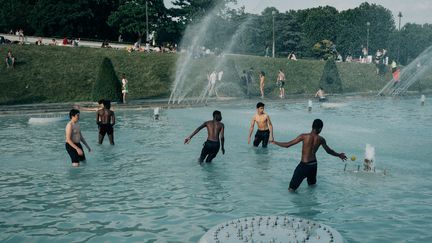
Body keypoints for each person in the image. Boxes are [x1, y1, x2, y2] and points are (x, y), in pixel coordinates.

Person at [271, 119, 347, 192]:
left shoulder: (304, 136)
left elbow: (287, 145)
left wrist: (275, 142)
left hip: (304, 165)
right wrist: (339, 155)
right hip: (313, 165)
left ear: (312, 126)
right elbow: (328, 151)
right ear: (320, 129)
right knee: (312, 186)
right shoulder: (321, 139)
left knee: (291, 189)